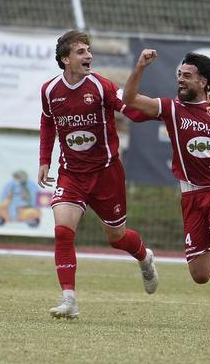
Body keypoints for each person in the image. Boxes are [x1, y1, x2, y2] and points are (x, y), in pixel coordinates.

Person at [123, 49, 210, 333]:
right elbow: (129, 99)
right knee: (200, 275)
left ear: (203, 82)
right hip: (191, 195)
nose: (180, 79)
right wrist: (140, 67)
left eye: (187, 76)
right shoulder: (171, 108)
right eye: (179, 74)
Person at [38, 30, 159, 320]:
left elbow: (133, 110)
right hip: (71, 174)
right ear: (66, 59)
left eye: (89, 51)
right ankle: (69, 299)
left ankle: (144, 257)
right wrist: (44, 160)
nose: (88, 56)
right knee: (62, 231)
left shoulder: (102, 86)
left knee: (116, 237)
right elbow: (48, 122)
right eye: (81, 51)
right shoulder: (50, 90)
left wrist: (161, 110)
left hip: (106, 173)